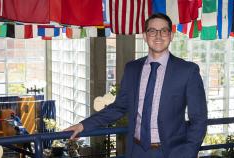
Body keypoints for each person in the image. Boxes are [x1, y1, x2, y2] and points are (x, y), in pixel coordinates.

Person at [65, 13, 207, 158]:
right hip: (136, 150)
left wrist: (187, 153)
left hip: (171, 152)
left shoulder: (187, 71)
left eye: (164, 31)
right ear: (145, 36)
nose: (158, 36)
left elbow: (199, 119)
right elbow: (119, 107)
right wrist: (83, 125)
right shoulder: (132, 68)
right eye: (152, 31)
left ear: (171, 36)